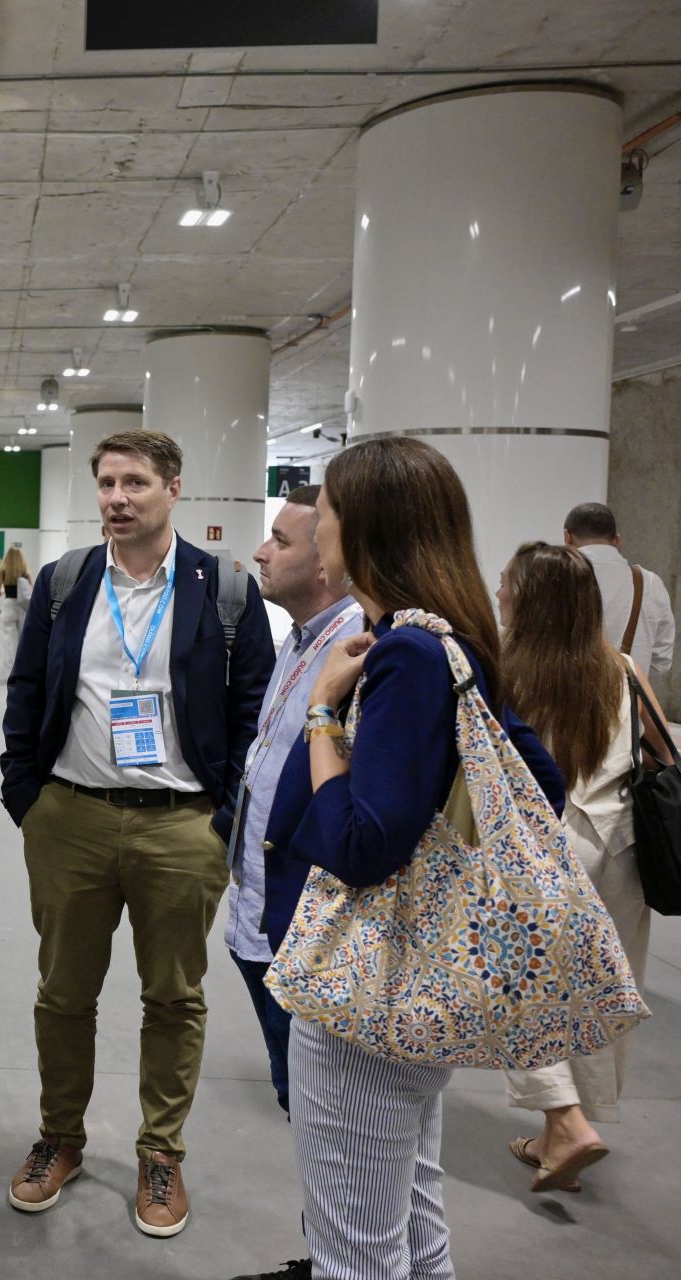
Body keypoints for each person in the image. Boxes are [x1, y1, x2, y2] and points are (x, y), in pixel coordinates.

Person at [231, 438, 565, 1280]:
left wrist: (321, 716)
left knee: (356, 1255)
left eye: (329, 512)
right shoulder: (449, 639)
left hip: (366, 994)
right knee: (414, 1222)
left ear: (362, 528)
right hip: (419, 984)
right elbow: (543, 783)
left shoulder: (405, 657)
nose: (319, 529)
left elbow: (357, 845)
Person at [0, 429, 274, 1237]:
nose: (117, 498)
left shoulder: (224, 588)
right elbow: (27, 691)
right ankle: (60, 1138)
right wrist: (29, 797)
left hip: (182, 825)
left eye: (135, 484)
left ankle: (161, 1154)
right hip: (72, 817)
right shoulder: (65, 582)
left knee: (175, 998)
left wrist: (223, 815)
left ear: (174, 489)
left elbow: (254, 704)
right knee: (63, 993)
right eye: (107, 483)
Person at [496, 541, 666, 1193]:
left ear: (529, 601)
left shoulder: (507, 670)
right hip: (619, 848)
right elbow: (660, 748)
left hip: (544, 848)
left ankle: (563, 1123)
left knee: (524, 985)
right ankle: (571, 1128)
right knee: (605, 990)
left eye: (507, 584)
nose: (498, 593)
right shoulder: (620, 668)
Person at [228, 487, 361, 1119]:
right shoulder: (302, 636)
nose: (260, 552)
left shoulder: (360, 648)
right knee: (299, 1089)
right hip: (263, 891)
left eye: (280, 541)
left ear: (325, 561)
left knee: (324, 1105)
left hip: (307, 911)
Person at [562, 502, 675, 678]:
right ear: (617, 540)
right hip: (624, 702)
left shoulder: (553, 577)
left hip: (563, 701)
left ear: (567, 537)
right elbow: (662, 660)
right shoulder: (649, 583)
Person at [0, 545, 33, 673]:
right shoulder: (25, 572)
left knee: (8, 640)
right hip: (22, 607)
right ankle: (22, 668)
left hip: (8, 606)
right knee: (22, 640)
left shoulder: (2, 571)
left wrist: (5, 588)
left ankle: (10, 670)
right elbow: (31, 591)